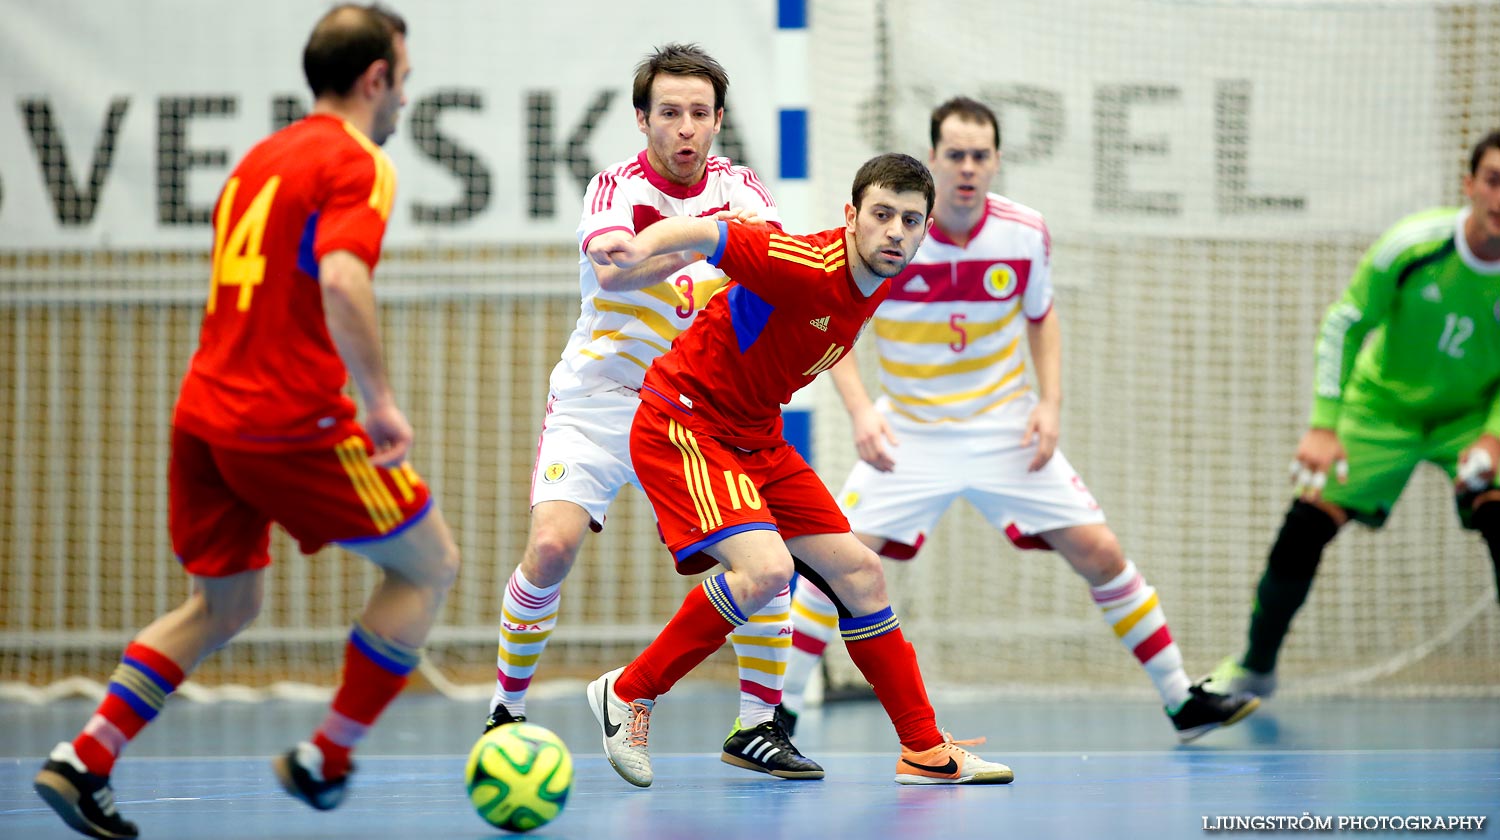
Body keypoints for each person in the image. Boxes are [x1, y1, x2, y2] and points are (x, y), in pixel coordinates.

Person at [33, 3, 462, 840]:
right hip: (284, 419)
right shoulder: (358, 161)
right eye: (404, 82)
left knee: (222, 606)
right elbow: (342, 280)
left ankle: (85, 758)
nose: (405, 100)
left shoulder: (260, 158)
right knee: (429, 565)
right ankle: (327, 759)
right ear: (376, 79)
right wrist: (379, 403)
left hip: (203, 417)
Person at [777, 97, 1259, 743]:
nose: (968, 168)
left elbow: (1042, 316)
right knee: (837, 560)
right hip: (909, 433)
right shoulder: (895, 233)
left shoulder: (1024, 231)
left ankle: (1182, 698)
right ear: (934, 159)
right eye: (955, 155)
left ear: (997, 160)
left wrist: (1049, 404)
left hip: (1004, 428)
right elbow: (829, 321)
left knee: (1100, 550)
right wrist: (862, 411)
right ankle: (779, 714)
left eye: (981, 155)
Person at [585, 151, 1016, 789]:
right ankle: (629, 691)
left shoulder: (880, 278)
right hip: (687, 422)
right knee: (766, 570)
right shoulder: (804, 263)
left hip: (756, 434)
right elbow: (710, 232)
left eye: (910, 220)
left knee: (863, 574)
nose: (896, 231)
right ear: (851, 216)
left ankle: (924, 750)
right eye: (881, 215)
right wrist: (640, 244)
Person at [483, 44, 822, 779]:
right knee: (550, 547)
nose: (686, 129)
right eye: (669, 113)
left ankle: (758, 725)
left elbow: (777, 264)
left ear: (718, 120)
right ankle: (506, 711)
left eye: (700, 114)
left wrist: (687, 250)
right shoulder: (613, 187)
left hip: (699, 407)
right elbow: (613, 264)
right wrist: (712, 243)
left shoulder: (744, 188)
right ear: (643, 120)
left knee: (762, 558)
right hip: (603, 398)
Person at [1209, 129, 1500, 698]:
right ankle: (1254, 665)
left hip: (1472, 414)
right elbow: (1346, 323)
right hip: (1382, 408)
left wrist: (1492, 439)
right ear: (1469, 186)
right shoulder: (1414, 246)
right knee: (1304, 527)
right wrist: (1323, 424)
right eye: (1494, 181)